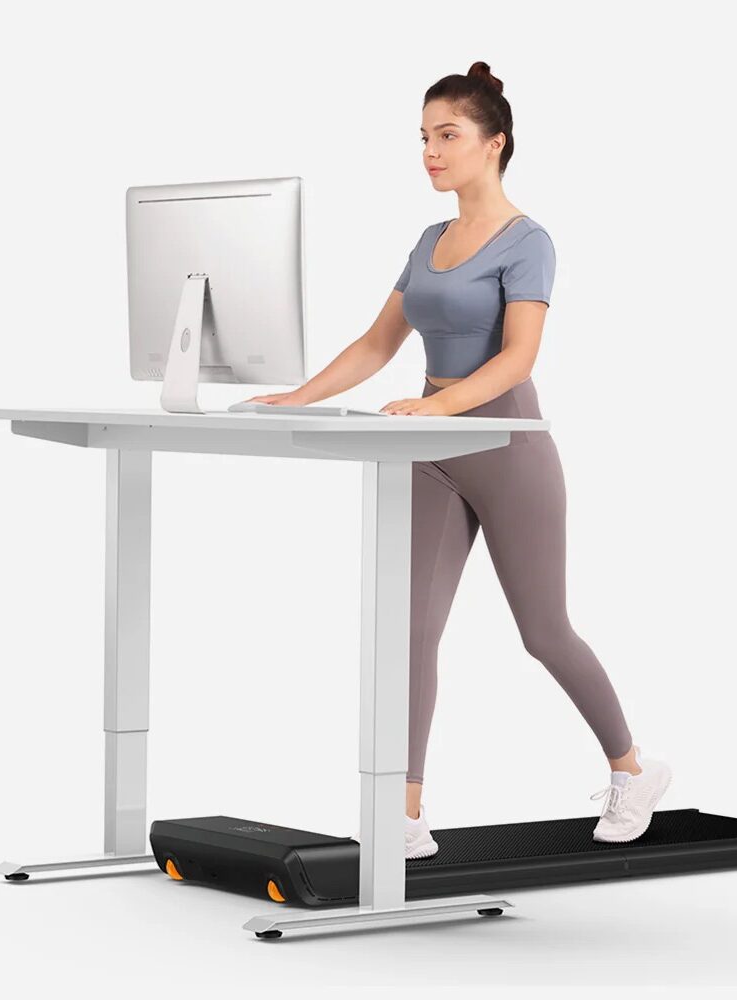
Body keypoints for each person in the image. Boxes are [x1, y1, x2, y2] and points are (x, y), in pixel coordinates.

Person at [245, 61, 672, 859]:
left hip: (505, 440)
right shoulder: (430, 240)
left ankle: (631, 768)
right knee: (410, 632)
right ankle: (404, 815)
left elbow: (517, 358)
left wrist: (437, 404)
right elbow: (379, 342)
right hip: (430, 447)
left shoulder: (529, 241)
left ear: (494, 143)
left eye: (448, 136)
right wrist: (298, 396)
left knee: (543, 631)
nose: (431, 151)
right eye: (423, 137)